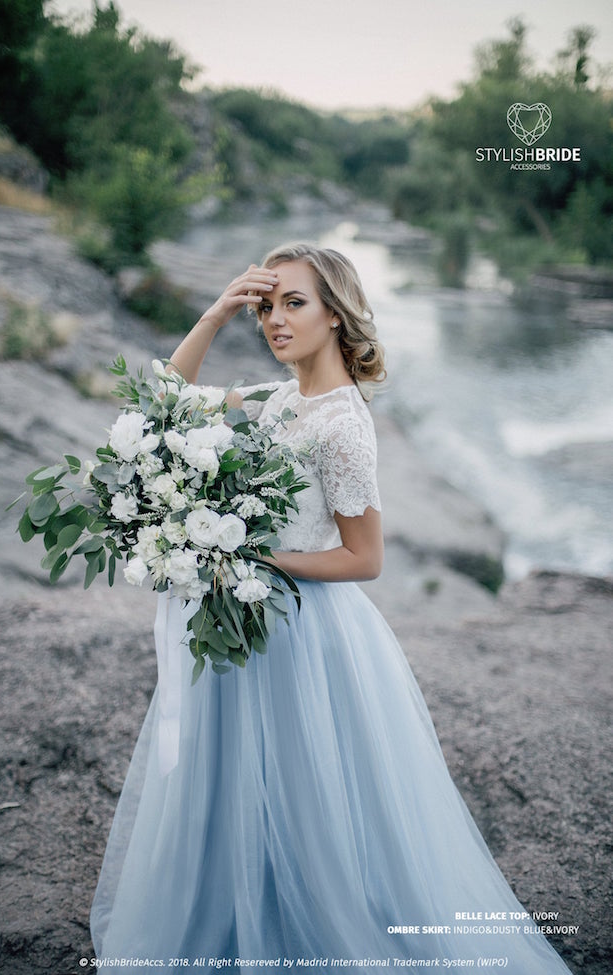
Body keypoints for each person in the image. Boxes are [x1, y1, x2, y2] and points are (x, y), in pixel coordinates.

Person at [90, 243, 573, 973]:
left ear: (336, 315)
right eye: (265, 305)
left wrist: (248, 560)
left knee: (303, 796)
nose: (274, 319)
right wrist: (216, 312)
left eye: (294, 303)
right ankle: (233, 922)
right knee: (231, 791)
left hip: (299, 635)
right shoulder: (282, 398)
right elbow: (160, 405)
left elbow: (364, 559)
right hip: (245, 624)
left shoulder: (342, 424)